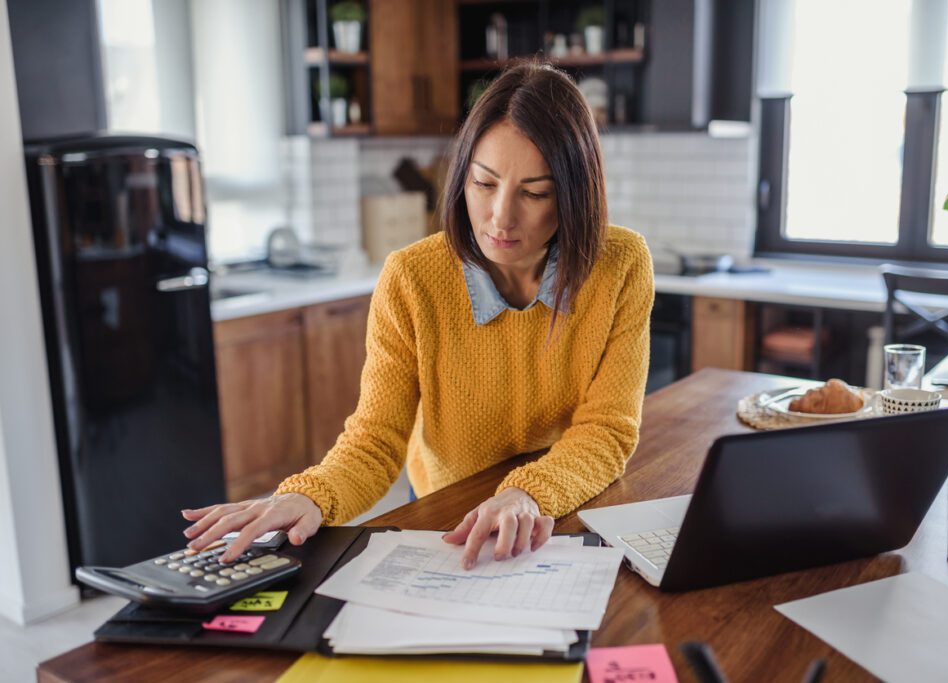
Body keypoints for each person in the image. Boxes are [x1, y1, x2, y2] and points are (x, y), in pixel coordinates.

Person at [182, 61, 654, 570]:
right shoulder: (412, 278)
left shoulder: (620, 264)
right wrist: (310, 496)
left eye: (534, 193)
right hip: (452, 527)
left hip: (562, 508)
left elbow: (607, 429)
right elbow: (376, 440)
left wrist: (528, 494)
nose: (500, 216)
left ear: (574, 195)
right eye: (484, 183)